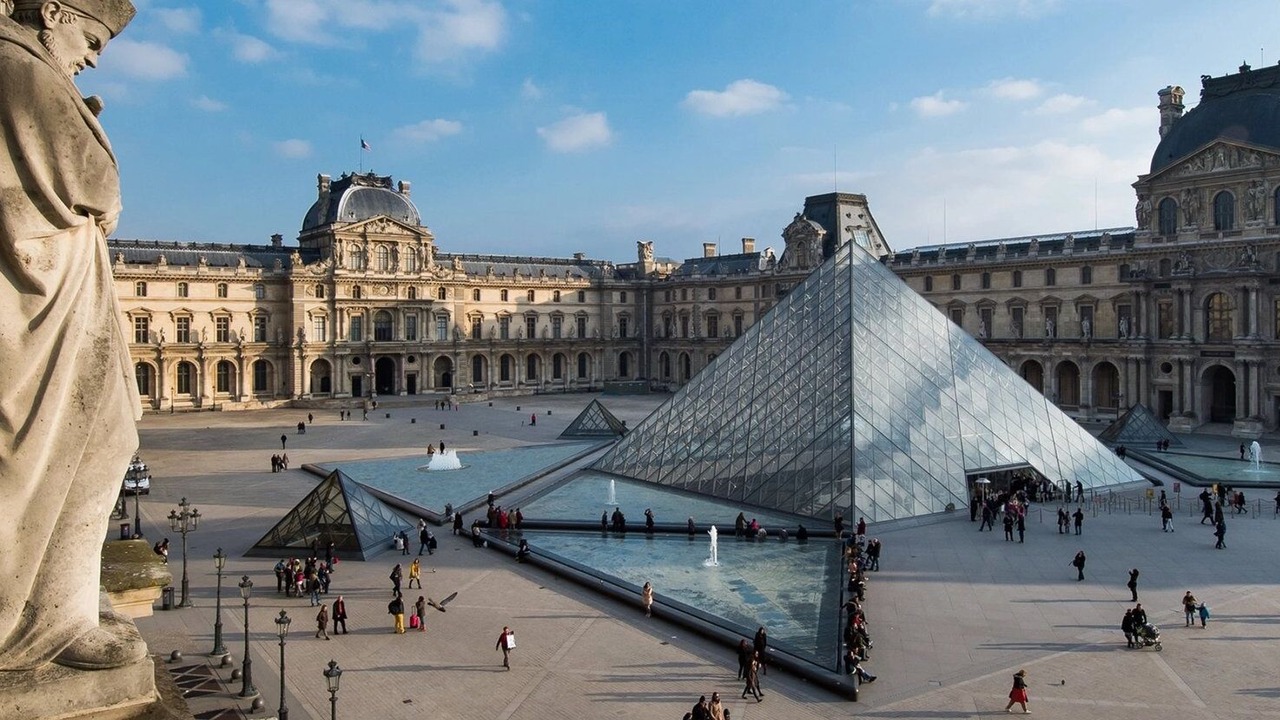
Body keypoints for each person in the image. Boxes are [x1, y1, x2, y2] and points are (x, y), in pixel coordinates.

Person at [0, 0, 147, 673]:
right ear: (51, 13)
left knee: (91, 443)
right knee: (89, 443)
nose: (90, 55)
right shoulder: (20, 69)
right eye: (90, 39)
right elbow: (97, 184)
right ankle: (50, 620)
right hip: (45, 303)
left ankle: (56, 610)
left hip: (51, 296)